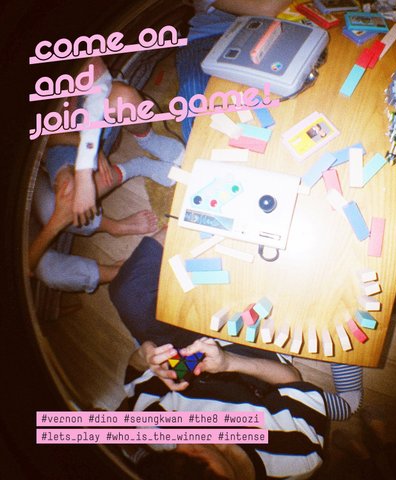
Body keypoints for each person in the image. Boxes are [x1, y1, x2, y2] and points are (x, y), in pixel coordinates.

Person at [108, 232, 365, 478]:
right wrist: (229, 362)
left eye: (174, 449)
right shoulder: (296, 456)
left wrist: (148, 355)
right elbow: (291, 379)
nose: (185, 440)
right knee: (347, 402)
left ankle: (184, 226)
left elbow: (137, 367)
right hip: (254, 366)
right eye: (199, 457)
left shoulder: (156, 434)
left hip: (187, 359)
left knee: (127, 294)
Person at [29, 57, 186, 293]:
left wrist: (86, 148)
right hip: (55, 153)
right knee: (67, 201)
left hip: (70, 132)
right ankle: (136, 167)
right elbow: (26, 268)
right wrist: (57, 221)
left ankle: (147, 139)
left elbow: (95, 69)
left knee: (125, 99)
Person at [176, 0, 293, 141]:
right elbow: (265, 9)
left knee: (286, 89)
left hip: (265, 28)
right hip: (211, 36)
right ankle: (196, 149)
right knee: (197, 100)